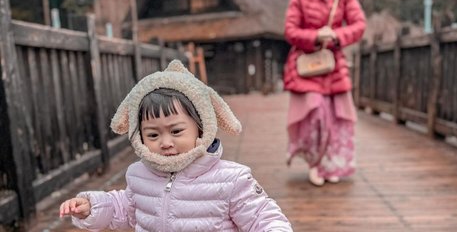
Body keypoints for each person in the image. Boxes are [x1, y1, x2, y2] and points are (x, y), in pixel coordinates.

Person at [59, 60, 292, 231]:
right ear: (138, 136)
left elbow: (263, 217)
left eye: (176, 131)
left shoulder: (232, 179)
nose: (166, 143)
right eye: (152, 135)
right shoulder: (139, 174)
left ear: (201, 127)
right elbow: (125, 209)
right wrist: (91, 207)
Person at [283, 0, 366, 186]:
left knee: (336, 117)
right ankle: (315, 163)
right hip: (307, 65)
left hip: (333, 65)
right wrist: (315, 36)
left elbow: (359, 25)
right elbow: (290, 30)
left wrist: (338, 36)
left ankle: (331, 165)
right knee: (315, 113)